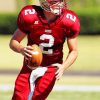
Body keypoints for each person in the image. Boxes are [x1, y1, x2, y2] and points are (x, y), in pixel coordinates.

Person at [9, 0, 80, 100]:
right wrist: (21, 49)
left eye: (60, 1)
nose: (59, 4)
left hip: (52, 67)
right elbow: (13, 42)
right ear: (44, 3)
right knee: (19, 97)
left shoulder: (69, 20)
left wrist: (63, 66)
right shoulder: (30, 15)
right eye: (55, 1)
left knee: (38, 97)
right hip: (30, 63)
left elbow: (74, 50)